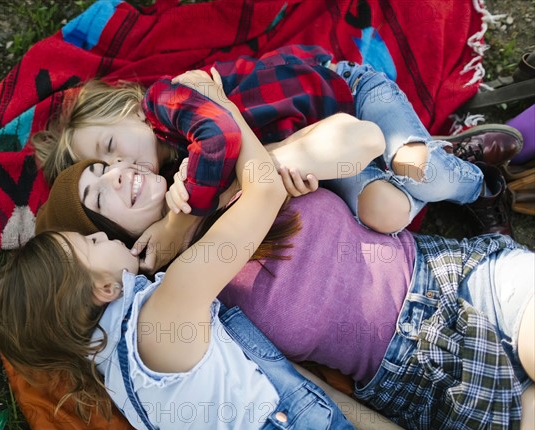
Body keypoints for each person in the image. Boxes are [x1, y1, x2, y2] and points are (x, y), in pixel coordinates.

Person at [35, 75, 534, 430]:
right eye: (98, 200)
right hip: (416, 380)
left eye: (106, 165)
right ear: (118, 244)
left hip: (456, 279)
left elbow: (361, 140)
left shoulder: (234, 173)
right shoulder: (187, 304)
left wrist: (233, 136)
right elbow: (301, 393)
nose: (120, 175)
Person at [32, 45, 520, 272]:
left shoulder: (168, 100)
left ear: (126, 109)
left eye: (110, 150)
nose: (121, 169)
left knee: (422, 171)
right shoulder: (173, 177)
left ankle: (479, 181)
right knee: (385, 212)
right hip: (333, 154)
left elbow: (221, 134)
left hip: (347, 91)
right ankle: (441, 153)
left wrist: (185, 218)